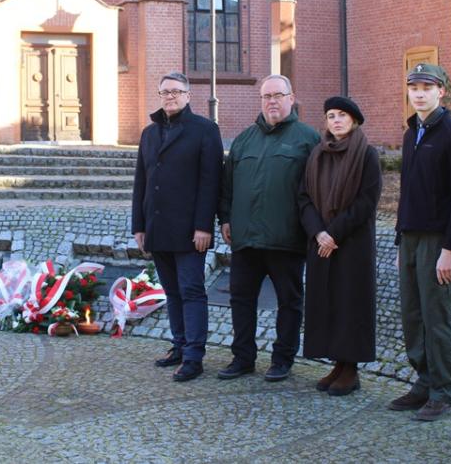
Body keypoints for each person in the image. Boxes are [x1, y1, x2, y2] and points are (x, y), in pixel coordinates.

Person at [216, 74, 320, 382]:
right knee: (240, 299)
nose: (271, 101)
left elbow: (315, 190)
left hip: (286, 238)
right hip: (246, 238)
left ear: (291, 97)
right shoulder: (245, 139)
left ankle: (282, 359)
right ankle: (243, 357)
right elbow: (227, 185)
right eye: (266, 96)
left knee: (289, 302)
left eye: (277, 95)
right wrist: (225, 218)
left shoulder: (307, 139)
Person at [131, 72, 223, 382]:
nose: (170, 96)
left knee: (191, 290)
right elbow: (140, 182)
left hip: (190, 230)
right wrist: (139, 226)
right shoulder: (149, 133)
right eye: (165, 92)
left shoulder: (205, 130)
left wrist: (204, 226)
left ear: (187, 95)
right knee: (171, 292)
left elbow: (211, 182)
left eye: (176, 91)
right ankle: (180, 346)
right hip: (157, 227)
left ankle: (195, 356)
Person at [390, 63, 451, 421]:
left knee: (438, 317)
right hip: (410, 237)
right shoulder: (411, 134)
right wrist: (398, 239)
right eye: (414, 87)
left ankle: (443, 390)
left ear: (441, 91)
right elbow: (407, 191)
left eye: (427, 87)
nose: (419, 93)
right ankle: (423, 380)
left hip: (438, 240)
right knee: (412, 315)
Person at [297, 96, 382, 396]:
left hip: (351, 244)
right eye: (331, 116)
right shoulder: (317, 154)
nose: (336, 121)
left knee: (350, 304)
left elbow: (366, 202)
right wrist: (318, 232)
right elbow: (304, 197)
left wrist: (334, 234)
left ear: (354, 120)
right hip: (321, 243)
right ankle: (337, 362)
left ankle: (351, 369)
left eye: (342, 115)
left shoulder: (366, 155)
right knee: (328, 303)